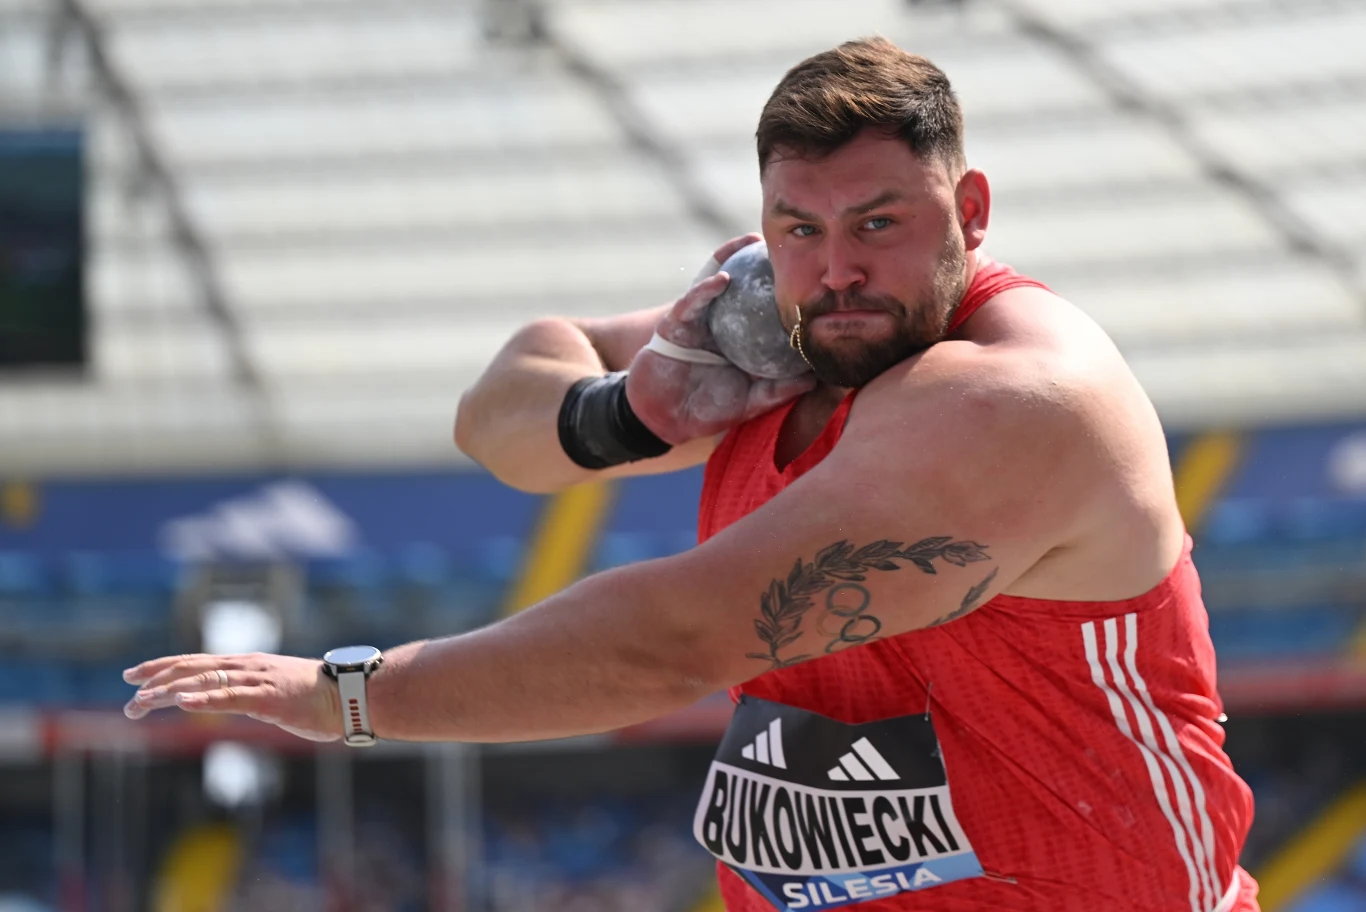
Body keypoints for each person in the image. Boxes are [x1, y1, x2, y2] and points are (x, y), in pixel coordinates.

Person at [122, 37, 1258, 912]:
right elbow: (497, 416)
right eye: (797, 229)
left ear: (967, 211)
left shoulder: (1014, 402)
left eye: (878, 222)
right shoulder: (777, 331)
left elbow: (673, 638)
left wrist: (348, 697)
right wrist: (622, 413)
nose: (837, 270)